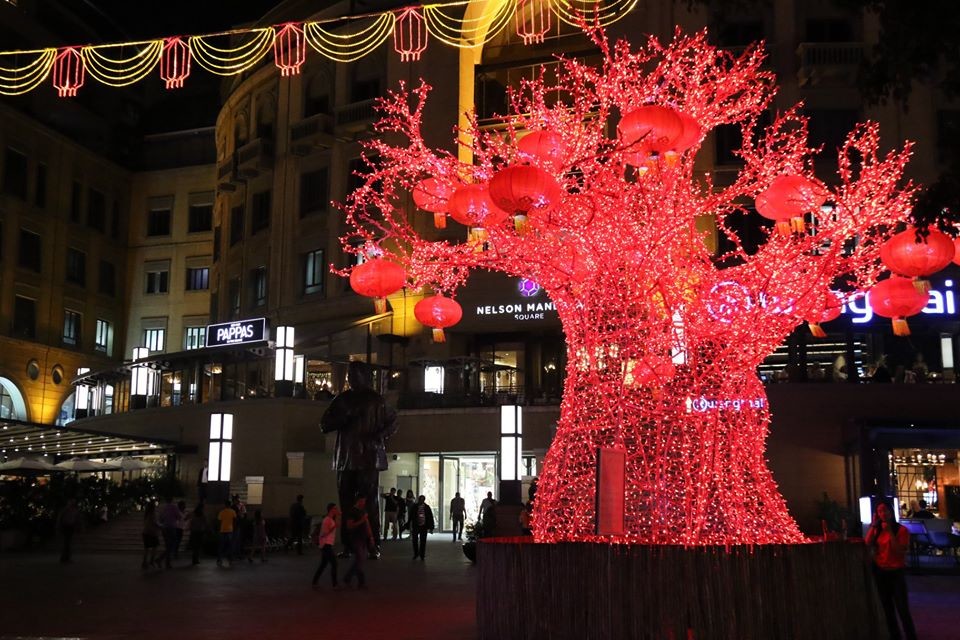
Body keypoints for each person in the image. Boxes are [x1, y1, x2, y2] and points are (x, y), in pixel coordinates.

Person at [321, 361, 398, 552]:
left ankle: (373, 545)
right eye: (349, 375)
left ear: (365, 376)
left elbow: (393, 421)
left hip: (369, 457)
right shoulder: (342, 400)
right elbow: (324, 424)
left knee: (370, 502)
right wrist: (343, 418)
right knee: (346, 503)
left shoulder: (377, 400)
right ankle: (348, 545)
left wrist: (379, 436)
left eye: (355, 374)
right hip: (345, 457)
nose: (350, 378)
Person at [865, 502, 917, 640]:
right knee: (887, 609)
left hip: (896, 572)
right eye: (880, 511)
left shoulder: (901, 530)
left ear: (891, 512)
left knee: (902, 609)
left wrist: (889, 532)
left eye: (885, 510)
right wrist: (873, 525)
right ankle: (895, 636)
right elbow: (867, 542)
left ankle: (911, 636)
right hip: (880, 572)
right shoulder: (877, 529)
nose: (883, 514)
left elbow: (899, 551)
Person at [343, 496, 375, 588]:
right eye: (363, 501)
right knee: (359, 559)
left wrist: (371, 537)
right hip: (356, 538)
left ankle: (348, 578)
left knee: (360, 560)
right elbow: (349, 526)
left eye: (365, 501)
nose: (364, 503)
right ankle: (360, 581)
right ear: (359, 501)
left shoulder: (363, 511)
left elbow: (367, 523)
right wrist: (362, 520)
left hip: (363, 538)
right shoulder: (352, 512)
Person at [312, 502, 340, 587]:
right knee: (334, 563)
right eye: (335, 508)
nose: (337, 510)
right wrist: (334, 527)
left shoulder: (331, 519)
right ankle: (335, 584)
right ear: (331, 510)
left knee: (323, 564)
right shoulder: (327, 520)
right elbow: (324, 534)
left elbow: (336, 524)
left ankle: (314, 582)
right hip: (325, 544)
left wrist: (338, 516)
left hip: (327, 544)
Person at [156, 496, 181, 569]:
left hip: (164, 528)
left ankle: (166, 563)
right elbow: (179, 516)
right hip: (172, 527)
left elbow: (160, 518)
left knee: (168, 546)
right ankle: (161, 560)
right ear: (172, 500)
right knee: (172, 545)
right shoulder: (174, 507)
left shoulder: (163, 507)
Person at [410, 495, 435, 560]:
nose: (421, 501)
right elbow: (411, 516)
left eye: (422, 499)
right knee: (414, 540)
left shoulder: (427, 507)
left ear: (424, 500)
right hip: (416, 525)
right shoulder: (415, 507)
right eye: (420, 499)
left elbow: (430, 517)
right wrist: (409, 524)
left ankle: (422, 555)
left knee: (423, 541)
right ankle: (416, 553)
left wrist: (431, 527)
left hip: (424, 526)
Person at [57, 498, 80, 563]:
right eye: (71, 502)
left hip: (71, 527)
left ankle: (66, 557)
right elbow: (60, 518)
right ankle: (65, 557)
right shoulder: (65, 509)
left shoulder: (75, 510)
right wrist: (59, 526)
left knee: (68, 543)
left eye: (73, 502)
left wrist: (77, 526)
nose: (72, 503)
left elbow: (76, 519)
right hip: (65, 526)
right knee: (67, 543)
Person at [217, 499, 237, 567]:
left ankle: (219, 559)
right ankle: (230, 558)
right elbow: (234, 520)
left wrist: (219, 529)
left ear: (225, 505)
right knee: (230, 545)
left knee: (221, 545)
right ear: (230, 505)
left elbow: (219, 521)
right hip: (230, 530)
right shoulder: (233, 512)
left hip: (222, 530)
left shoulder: (222, 512)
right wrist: (233, 528)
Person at [142, 501, 161, 570]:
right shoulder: (153, 514)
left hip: (145, 532)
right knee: (155, 547)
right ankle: (151, 561)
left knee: (146, 548)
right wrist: (161, 526)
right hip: (152, 533)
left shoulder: (146, 514)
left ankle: (144, 562)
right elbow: (155, 523)